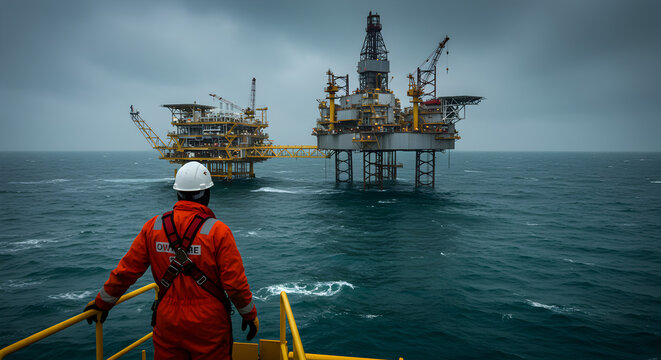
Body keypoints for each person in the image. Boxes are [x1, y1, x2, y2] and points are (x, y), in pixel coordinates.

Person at [84, 161, 258, 360]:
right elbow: (235, 285)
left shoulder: (153, 227)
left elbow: (126, 271)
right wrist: (249, 315)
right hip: (209, 323)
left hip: (167, 320)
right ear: (207, 194)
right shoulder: (218, 232)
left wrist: (102, 303)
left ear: (177, 193)